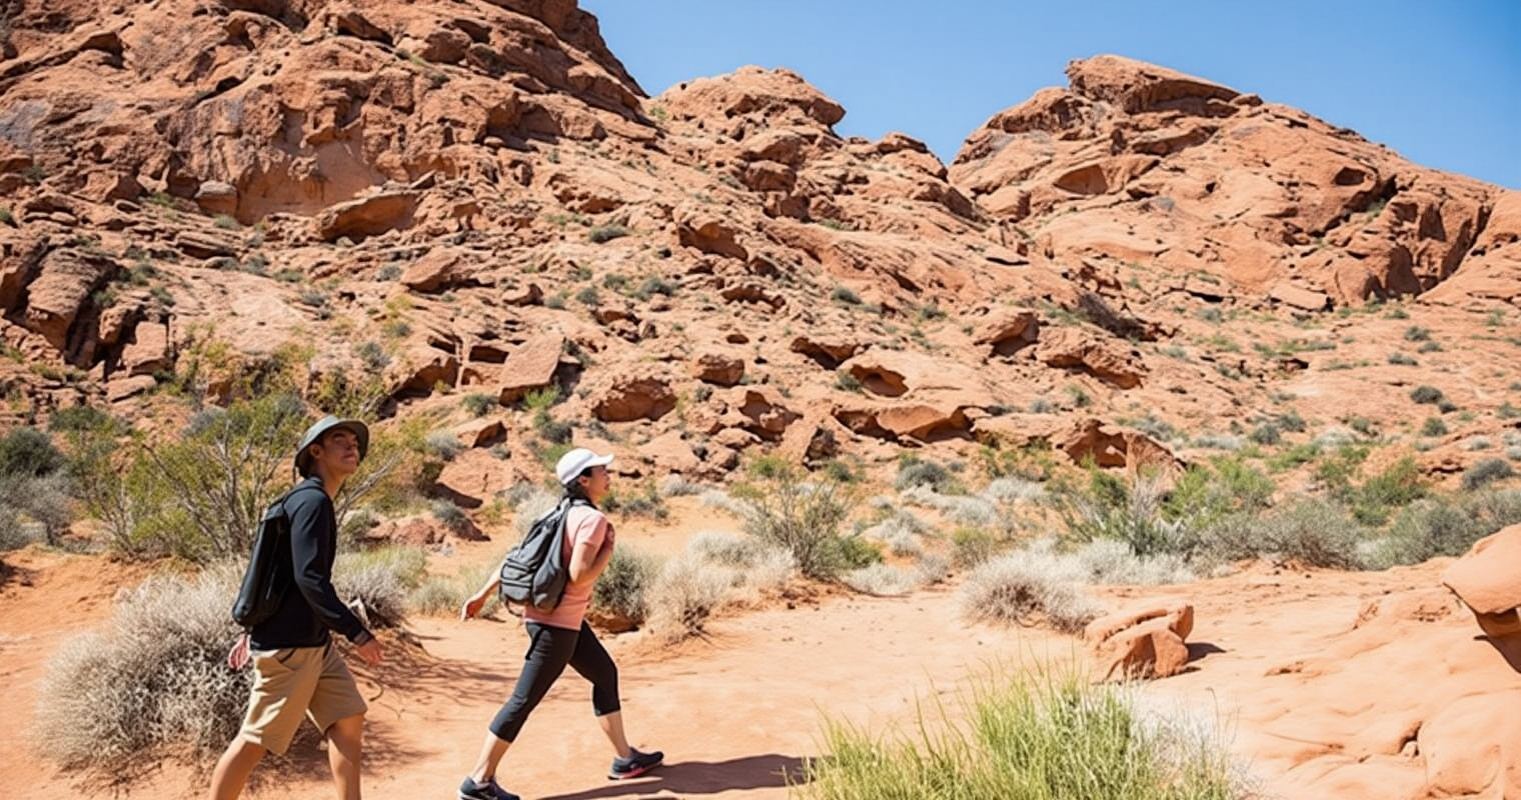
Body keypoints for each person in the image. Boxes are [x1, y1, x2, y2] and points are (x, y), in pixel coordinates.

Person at [457, 447, 663, 800]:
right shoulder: (592, 520)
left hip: (551, 619)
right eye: (602, 471)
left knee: (604, 673)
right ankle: (478, 781)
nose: (608, 475)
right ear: (584, 480)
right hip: (557, 626)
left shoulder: (558, 513)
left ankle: (625, 758)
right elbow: (580, 575)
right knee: (523, 700)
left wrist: (482, 594)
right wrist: (608, 552)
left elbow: (515, 558)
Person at [209, 416, 384, 800]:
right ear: (315, 452)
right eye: (340, 439)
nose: (352, 446)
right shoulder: (312, 501)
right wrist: (356, 632)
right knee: (255, 739)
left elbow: (277, 573)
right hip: (291, 647)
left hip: (313, 644)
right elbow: (309, 579)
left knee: (348, 717)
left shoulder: (305, 500)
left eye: (355, 441)